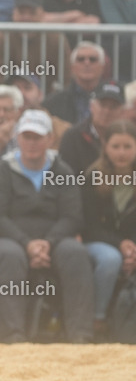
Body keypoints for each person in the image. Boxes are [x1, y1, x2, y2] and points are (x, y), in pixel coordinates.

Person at [0, 108, 94, 343]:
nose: (32, 142)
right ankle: (13, 337)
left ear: (50, 139)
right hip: (9, 240)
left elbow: (73, 216)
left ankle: (80, 335)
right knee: (9, 255)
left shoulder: (63, 171)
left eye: (38, 137)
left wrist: (47, 243)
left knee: (76, 253)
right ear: (18, 138)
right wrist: (27, 244)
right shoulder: (2, 171)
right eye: (27, 136)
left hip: (54, 239)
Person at [80, 119, 136, 339]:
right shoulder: (92, 177)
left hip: (131, 243)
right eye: (116, 146)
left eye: (128, 146)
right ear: (105, 147)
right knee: (110, 259)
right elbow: (88, 225)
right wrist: (120, 244)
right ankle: (98, 318)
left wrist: (132, 247)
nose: (121, 153)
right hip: (98, 241)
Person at [59, 81, 126, 173]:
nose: (107, 111)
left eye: (113, 107)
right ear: (91, 106)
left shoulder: (130, 138)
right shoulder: (72, 137)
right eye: (103, 104)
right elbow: (64, 179)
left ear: (122, 111)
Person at [43, 41, 107, 124]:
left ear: (102, 67)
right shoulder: (51, 104)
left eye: (93, 59)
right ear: (72, 67)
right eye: (80, 59)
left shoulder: (114, 102)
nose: (87, 63)